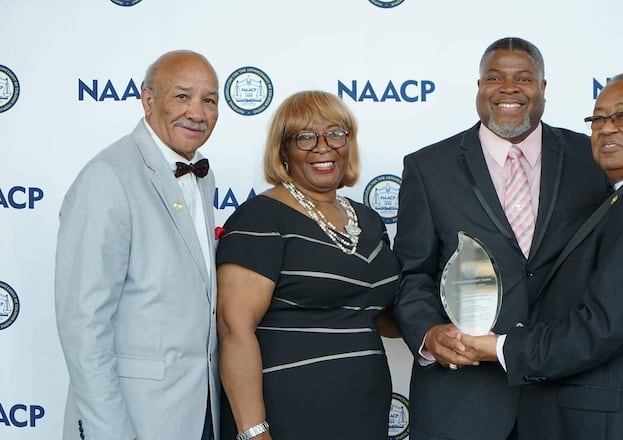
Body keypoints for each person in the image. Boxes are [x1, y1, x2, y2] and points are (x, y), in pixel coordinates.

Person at [392, 37, 623, 440]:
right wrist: (429, 336)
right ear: (478, 87)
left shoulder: (598, 153)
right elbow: (412, 275)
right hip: (465, 400)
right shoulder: (428, 167)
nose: (509, 88)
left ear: (543, 88)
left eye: (524, 78)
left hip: (568, 397)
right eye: (495, 77)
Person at [215, 90, 400, 440]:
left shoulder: (368, 221)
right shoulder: (261, 217)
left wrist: (447, 319)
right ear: (283, 150)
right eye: (304, 137)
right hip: (287, 415)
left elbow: (381, 316)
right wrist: (254, 432)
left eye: (335, 133)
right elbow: (232, 328)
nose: (323, 147)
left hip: (365, 411)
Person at [54, 50, 220, 440]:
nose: (197, 112)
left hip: (200, 412)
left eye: (209, 100)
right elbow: (84, 324)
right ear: (148, 100)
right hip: (134, 419)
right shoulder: (108, 177)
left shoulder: (201, 175)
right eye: (182, 96)